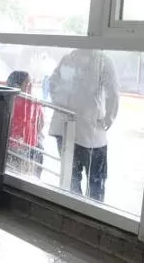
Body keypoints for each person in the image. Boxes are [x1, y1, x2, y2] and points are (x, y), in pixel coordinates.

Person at [48, 49, 119, 202]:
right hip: (91, 133)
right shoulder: (103, 60)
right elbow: (113, 94)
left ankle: (75, 212)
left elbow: (52, 83)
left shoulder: (68, 58)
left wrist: (59, 105)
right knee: (96, 181)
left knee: (71, 178)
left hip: (64, 128)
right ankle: (93, 215)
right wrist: (107, 120)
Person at [5, 71, 44, 177]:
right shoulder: (12, 101)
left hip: (29, 146)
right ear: (17, 85)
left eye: (31, 84)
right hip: (16, 146)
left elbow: (40, 125)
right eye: (27, 84)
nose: (30, 87)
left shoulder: (32, 101)